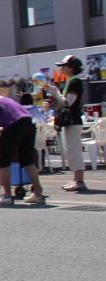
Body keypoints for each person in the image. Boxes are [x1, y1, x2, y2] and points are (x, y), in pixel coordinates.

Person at [47, 54, 87, 192]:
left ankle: (79, 181)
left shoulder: (74, 81)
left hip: (73, 120)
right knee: (70, 150)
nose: (61, 68)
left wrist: (55, 92)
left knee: (74, 150)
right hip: (71, 121)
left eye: (63, 66)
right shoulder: (72, 80)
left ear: (71, 67)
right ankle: (76, 179)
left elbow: (67, 103)